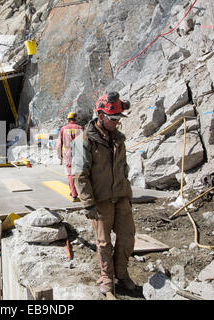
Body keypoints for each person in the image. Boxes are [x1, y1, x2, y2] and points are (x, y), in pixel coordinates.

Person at [71, 91, 135, 297]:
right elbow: (80, 174)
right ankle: (107, 277)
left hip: (121, 197)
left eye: (118, 119)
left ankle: (122, 274)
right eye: (113, 119)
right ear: (100, 117)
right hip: (101, 201)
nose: (116, 123)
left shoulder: (119, 139)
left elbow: (123, 168)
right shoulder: (85, 141)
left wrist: (127, 193)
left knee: (127, 237)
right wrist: (88, 203)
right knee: (104, 242)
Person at [56, 112, 83, 201]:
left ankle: (74, 194)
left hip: (68, 155)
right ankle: (76, 191)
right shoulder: (80, 128)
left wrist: (59, 155)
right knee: (78, 173)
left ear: (68, 119)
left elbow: (59, 144)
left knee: (70, 174)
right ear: (75, 119)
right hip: (79, 154)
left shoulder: (63, 129)